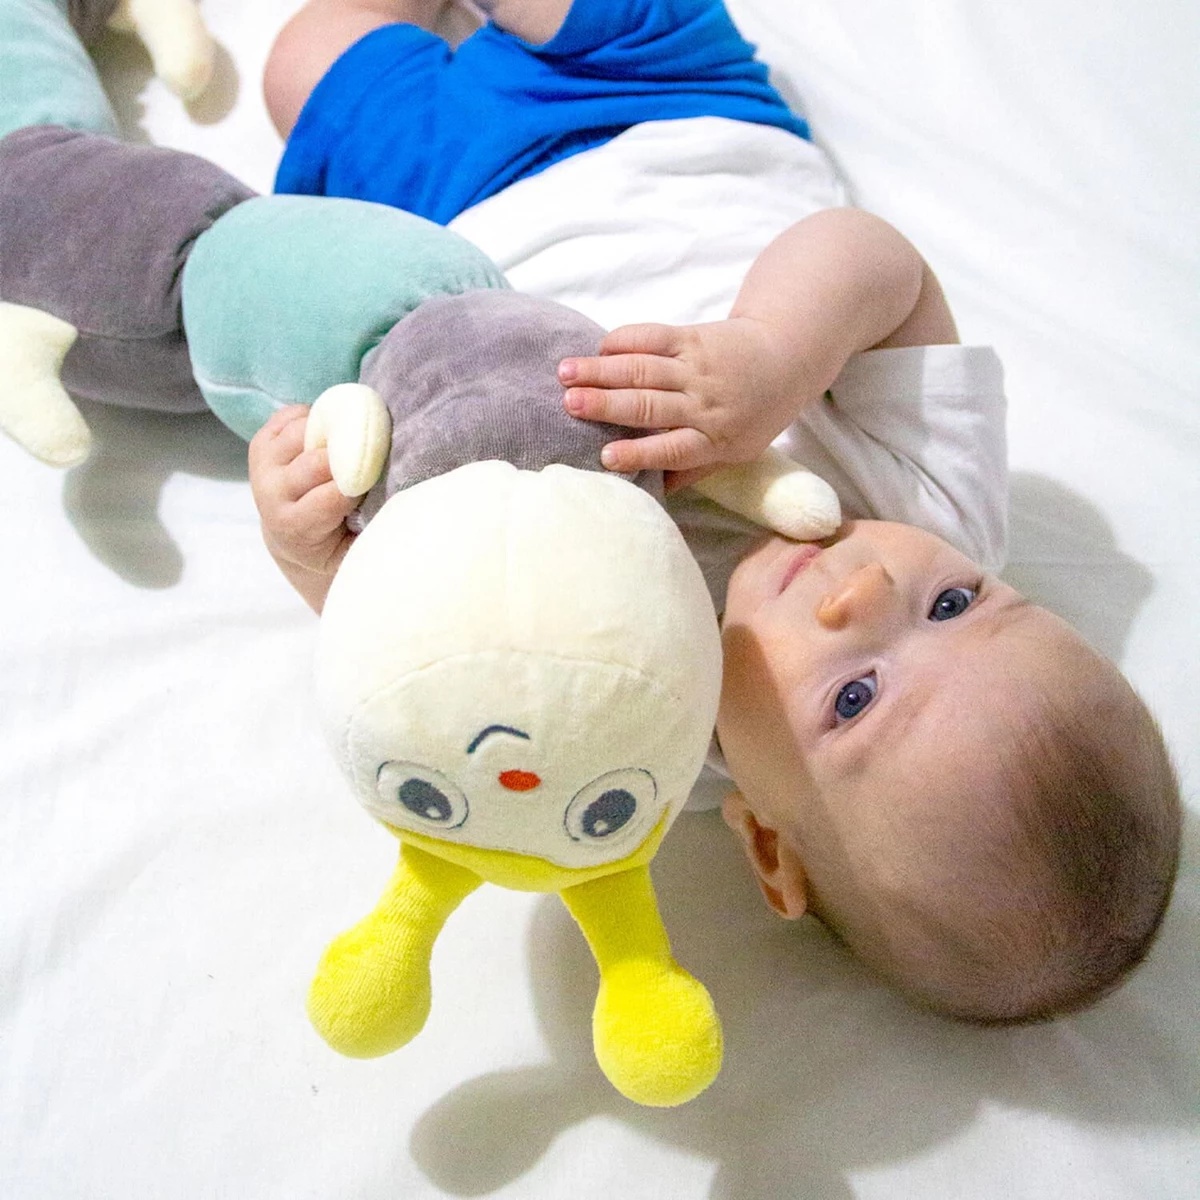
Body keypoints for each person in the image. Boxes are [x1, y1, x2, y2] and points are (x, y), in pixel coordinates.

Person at [251, 0, 1182, 1024]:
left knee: (304, 61)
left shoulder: (634, 739)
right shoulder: (937, 504)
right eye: (955, 604)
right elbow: (880, 262)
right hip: (664, 104)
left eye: (854, 699)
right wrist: (775, 354)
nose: (867, 592)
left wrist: (311, 553)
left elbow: (414, 635)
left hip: (444, 234)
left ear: (768, 845)